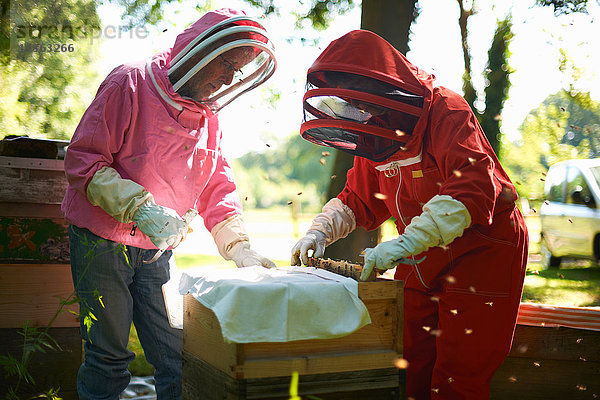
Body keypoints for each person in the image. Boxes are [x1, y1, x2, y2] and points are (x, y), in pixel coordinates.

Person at [291, 29, 528, 400]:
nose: (359, 112)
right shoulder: (375, 131)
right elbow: (359, 197)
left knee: (459, 371)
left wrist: (404, 245)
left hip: (483, 249)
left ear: (379, 85)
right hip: (419, 255)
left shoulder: (447, 111)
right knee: (410, 358)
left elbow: (471, 190)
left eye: (359, 98)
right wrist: (319, 232)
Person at [62, 8, 277, 400]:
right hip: (101, 243)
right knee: (107, 357)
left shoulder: (208, 117)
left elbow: (217, 184)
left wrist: (239, 246)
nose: (230, 79)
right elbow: (83, 161)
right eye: (229, 64)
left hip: (157, 251)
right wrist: (141, 208)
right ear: (201, 49)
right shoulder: (129, 82)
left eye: (239, 71)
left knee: (178, 354)